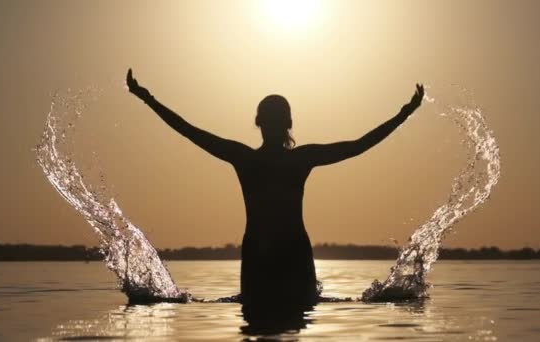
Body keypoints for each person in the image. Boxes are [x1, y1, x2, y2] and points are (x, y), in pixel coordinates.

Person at [126, 69, 424, 309]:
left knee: (256, 312)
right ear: (289, 123)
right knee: (300, 310)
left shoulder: (245, 158)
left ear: (258, 122)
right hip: (291, 249)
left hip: (260, 250)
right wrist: (404, 113)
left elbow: (188, 130)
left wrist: (147, 98)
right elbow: (359, 145)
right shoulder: (299, 158)